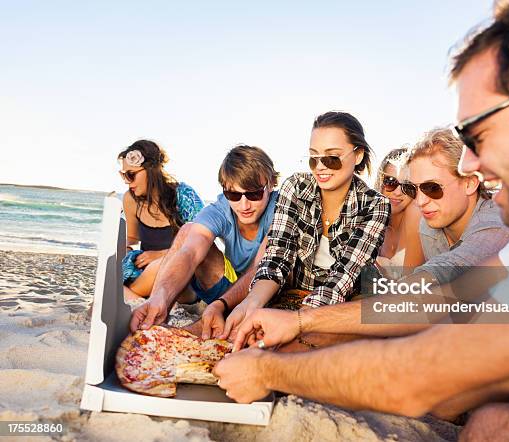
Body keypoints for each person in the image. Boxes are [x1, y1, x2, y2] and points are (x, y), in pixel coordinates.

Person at [213, 2, 509, 440]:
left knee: (495, 420)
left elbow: (418, 373)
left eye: (479, 135)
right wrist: (303, 322)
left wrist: (268, 370)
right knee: (495, 421)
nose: (473, 164)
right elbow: (443, 299)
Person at [216, 111, 390, 348]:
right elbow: (277, 257)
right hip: (293, 295)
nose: (320, 167)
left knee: (289, 348)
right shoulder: (295, 187)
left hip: (343, 306)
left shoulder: (375, 205)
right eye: (313, 158)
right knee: (237, 334)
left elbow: (343, 277)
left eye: (332, 158)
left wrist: (296, 323)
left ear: (357, 155)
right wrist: (251, 303)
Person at [129, 145, 279, 336]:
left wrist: (220, 304)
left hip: (266, 293)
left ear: (271, 184)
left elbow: (262, 268)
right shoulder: (221, 210)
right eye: (233, 194)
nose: (244, 205)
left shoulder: (280, 210)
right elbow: (190, 253)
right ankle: (158, 309)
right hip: (230, 292)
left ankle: (203, 324)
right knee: (187, 231)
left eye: (254, 194)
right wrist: (160, 295)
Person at [407, 127, 509, 284]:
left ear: (469, 183)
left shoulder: (499, 221)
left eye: (432, 188)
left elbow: (453, 266)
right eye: (411, 189)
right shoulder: (427, 225)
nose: (420, 201)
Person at [119, 140, 203, 300]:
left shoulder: (183, 195)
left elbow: (204, 240)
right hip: (146, 275)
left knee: (161, 267)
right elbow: (131, 238)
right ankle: (135, 299)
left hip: (182, 275)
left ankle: (128, 297)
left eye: (131, 175)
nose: (127, 182)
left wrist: (161, 255)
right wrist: (118, 248)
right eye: (123, 175)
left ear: (151, 170)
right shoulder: (131, 199)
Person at [373, 148, 424, 270]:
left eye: (407, 186)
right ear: (380, 182)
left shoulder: (415, 213)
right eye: (390, 182)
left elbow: (410, 283)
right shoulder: (371, 216)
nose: (397, 193)